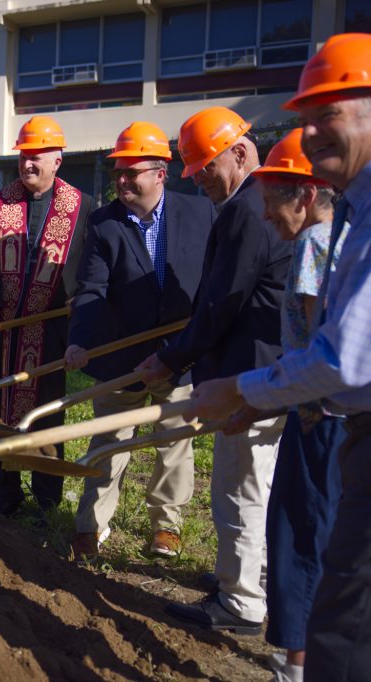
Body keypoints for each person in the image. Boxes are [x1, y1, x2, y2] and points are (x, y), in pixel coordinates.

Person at [187, 33, 371, 681]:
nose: (315, 129)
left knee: (325, 571)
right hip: (323, 414)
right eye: (308, 117)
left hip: (335, 419)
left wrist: (241, 390)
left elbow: (341, 355)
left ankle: (296, 657)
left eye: (332, 113)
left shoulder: (333, 235)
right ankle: (296, 651)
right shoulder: (348, 217)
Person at [137, 106, 292, 635]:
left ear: (242, 151)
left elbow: (222, 304)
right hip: (260, 369)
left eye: (207, 165)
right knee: (256, 484)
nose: (200, 178)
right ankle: (248, 576)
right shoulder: (250, 204)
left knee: (239, 488)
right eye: (194, 170)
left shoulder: (248, 210)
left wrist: (173, 357)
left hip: (250, 371)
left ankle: (242, 603)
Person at [65, 122, 215, 561]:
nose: (124, 180)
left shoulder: (200, 214)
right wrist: (80, 340)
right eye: (119, 172)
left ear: (161, 173)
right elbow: (91, 289)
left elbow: (215, 281)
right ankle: (90, 529)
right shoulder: (105, 223)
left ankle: (166, 527)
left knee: (175, 441)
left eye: (133, 172)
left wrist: (201, 341)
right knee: (108, 442)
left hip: (179, 353)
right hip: (122, 357)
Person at [245, 128, 348, 681]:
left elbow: (315, 342)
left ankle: (297, 664)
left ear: (304, 195)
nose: (264, 217)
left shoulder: (313, 243)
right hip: (334, 417)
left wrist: (259, 393)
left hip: (315, 415)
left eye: (270, 203)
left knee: (296, 532)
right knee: (321, 529)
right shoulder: (347, 236)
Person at [0, 116, 91, 517]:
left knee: (47, 413)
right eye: (24, 155)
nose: (28, 163)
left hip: (52, 328)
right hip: (1, 330)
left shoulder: (81, 206)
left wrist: (80, 306)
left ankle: (46, 502)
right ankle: (6, 495)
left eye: (37, 155)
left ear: (58, 159)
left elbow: (88, 268)